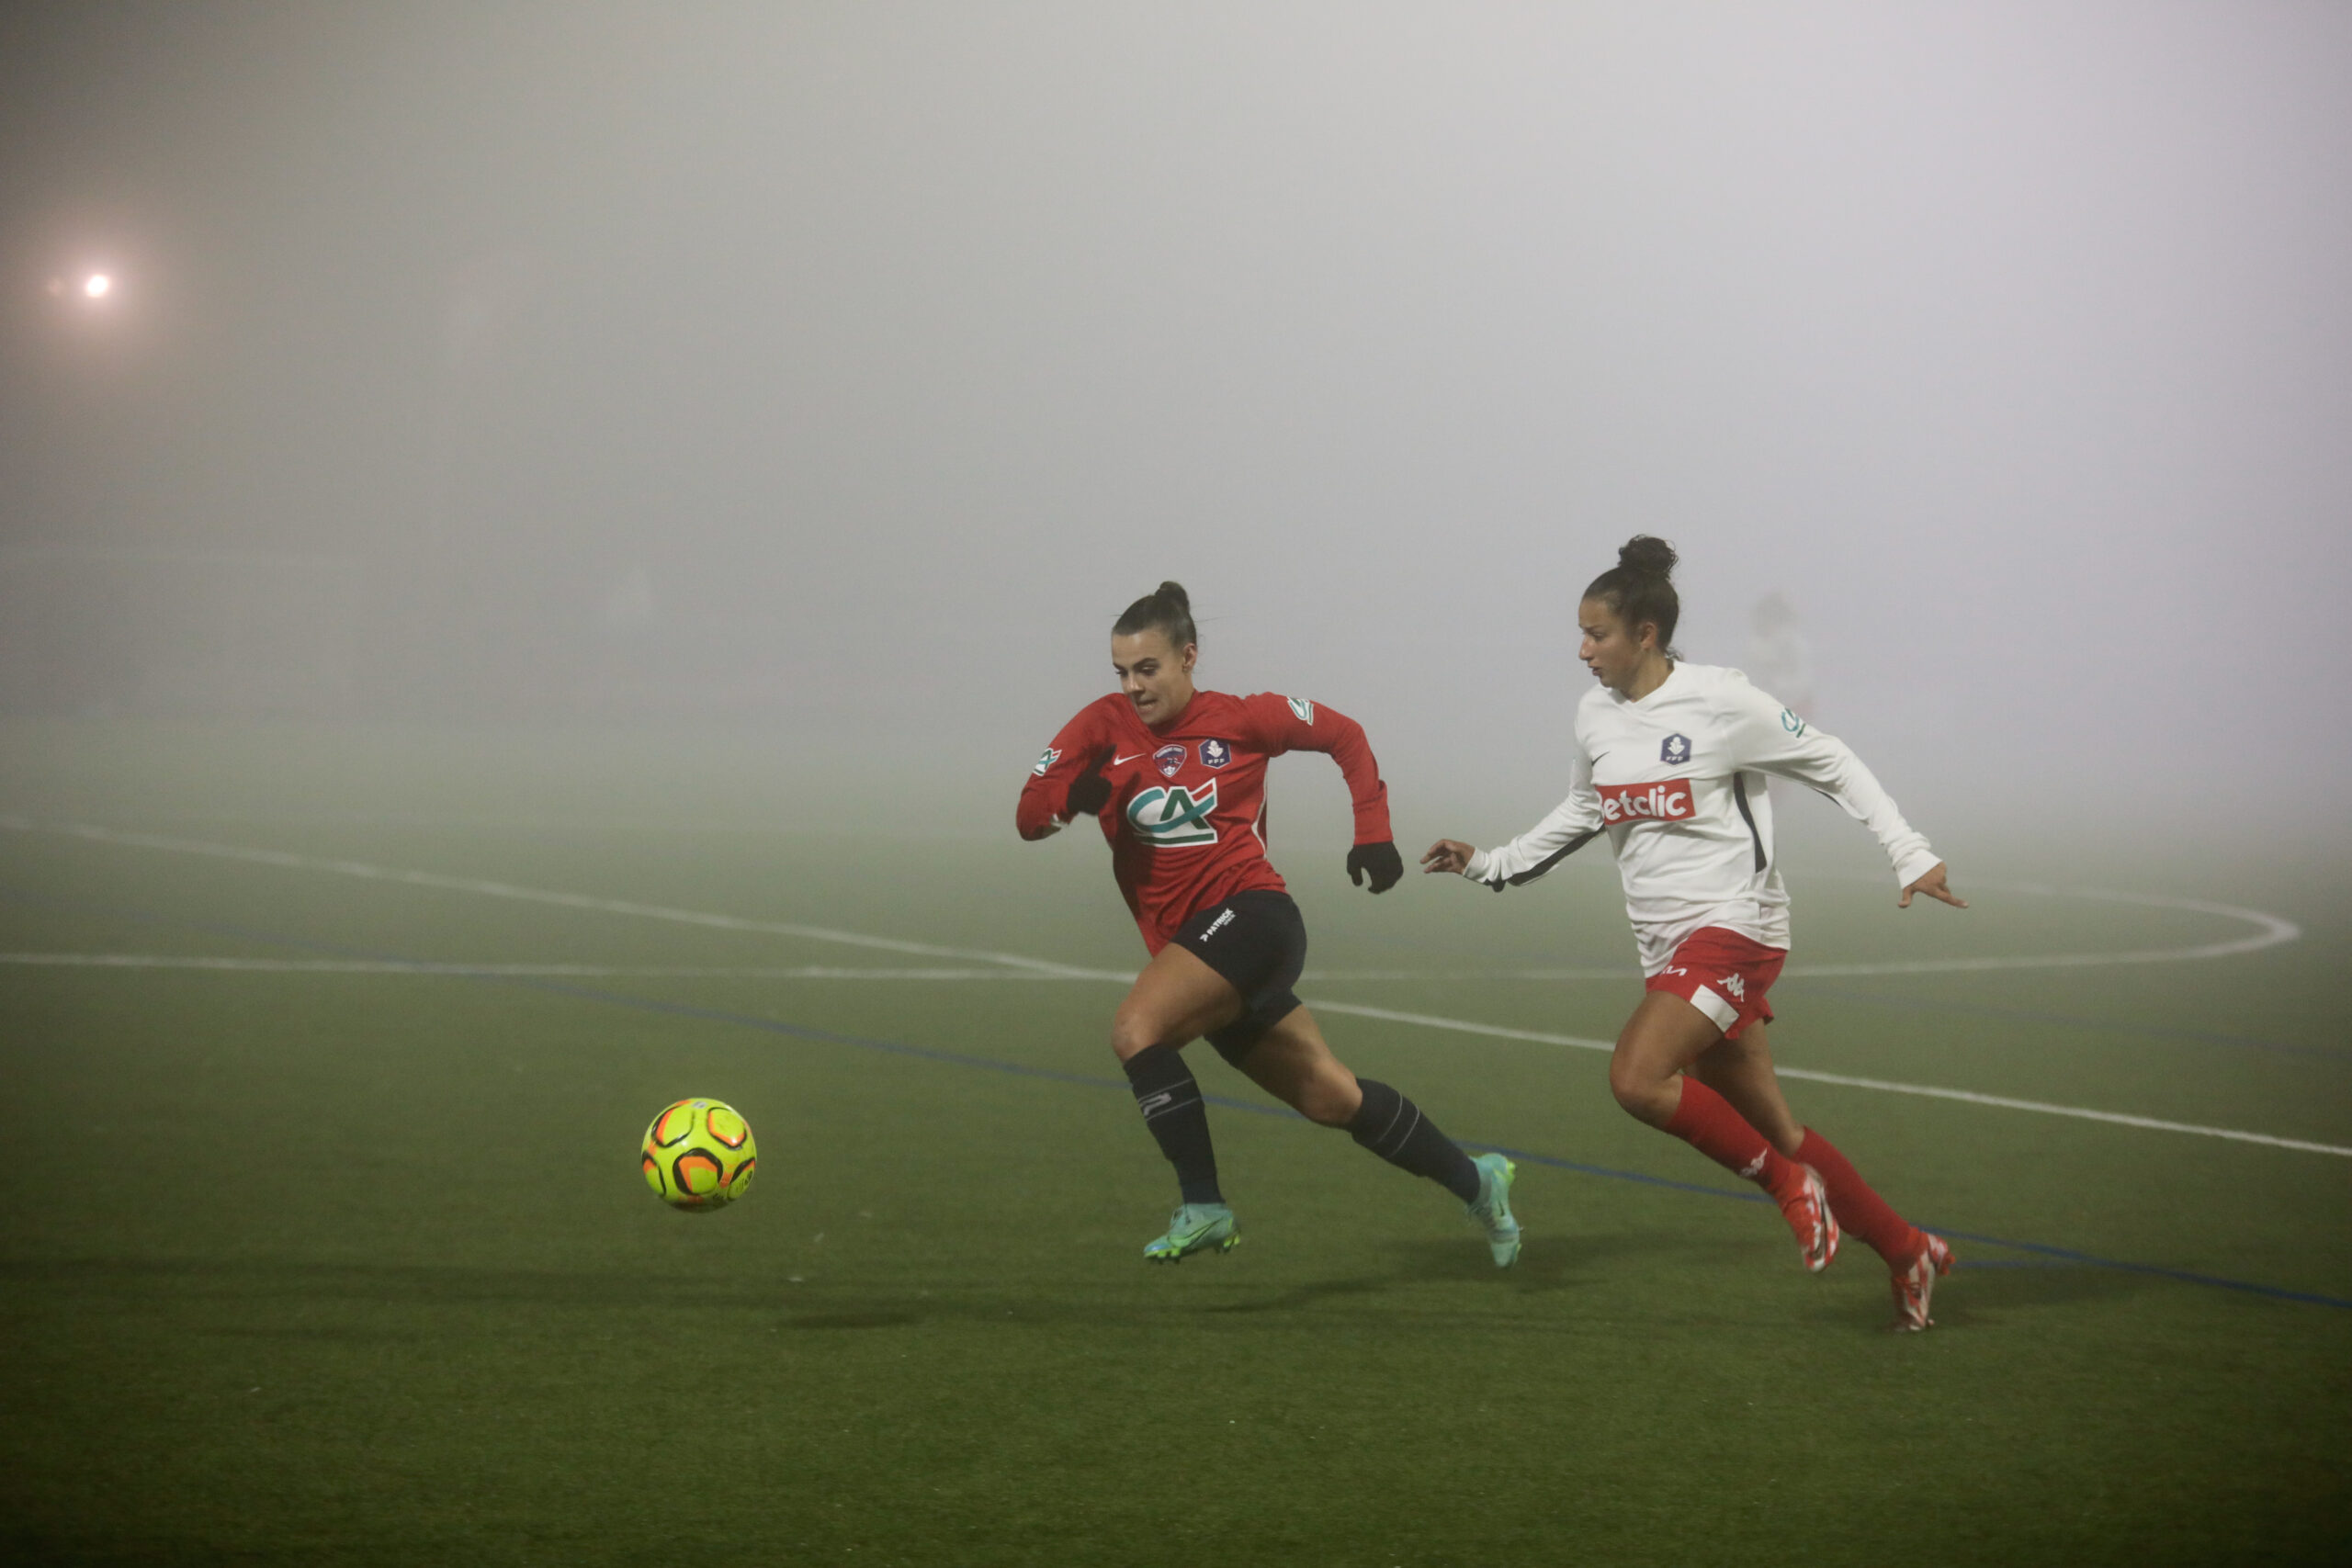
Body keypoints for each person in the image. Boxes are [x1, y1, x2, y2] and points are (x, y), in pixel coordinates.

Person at [1420, 537, 1965, 1329]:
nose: (1582, 651)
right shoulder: (1595, 714)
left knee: (1636, 1079)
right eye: (1579, 633)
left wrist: (1909, 852)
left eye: (1596, 634)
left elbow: (1833, 761)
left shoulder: (1722, 701)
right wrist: (1492, 863)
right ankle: (1908, 1248)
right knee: (1777, 1128)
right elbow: (1585, 808)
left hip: (1735, 929)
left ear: (1645, 634)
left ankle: (1789, 1188)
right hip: (1668, 948)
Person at [1018, 581, 1521, 1267]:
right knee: (1331, 1096)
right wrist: (1067, 803)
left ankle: (1203, 1205)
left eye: (1148, 668)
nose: (1133, 686)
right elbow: (1029, 813)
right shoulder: (1100, 728)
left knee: (1136, 1029)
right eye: (1122, 672)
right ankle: (1479, 1181)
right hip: (1198, 953)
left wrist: (1372, 830)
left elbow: (1345, 734)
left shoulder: (1244, 717)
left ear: (1189, 656)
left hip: (1255, 916)